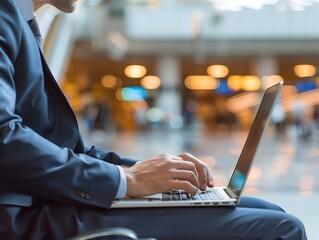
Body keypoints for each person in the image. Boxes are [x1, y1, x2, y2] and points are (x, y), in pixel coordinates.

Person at [0, 0, 307, 239]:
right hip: (22, 215)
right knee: (280, 228)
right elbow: (5, 138)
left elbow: (56, 144)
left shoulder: (20, 20)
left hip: (41, 199)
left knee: (265, 210)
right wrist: (125, 181)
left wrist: (143, 172)